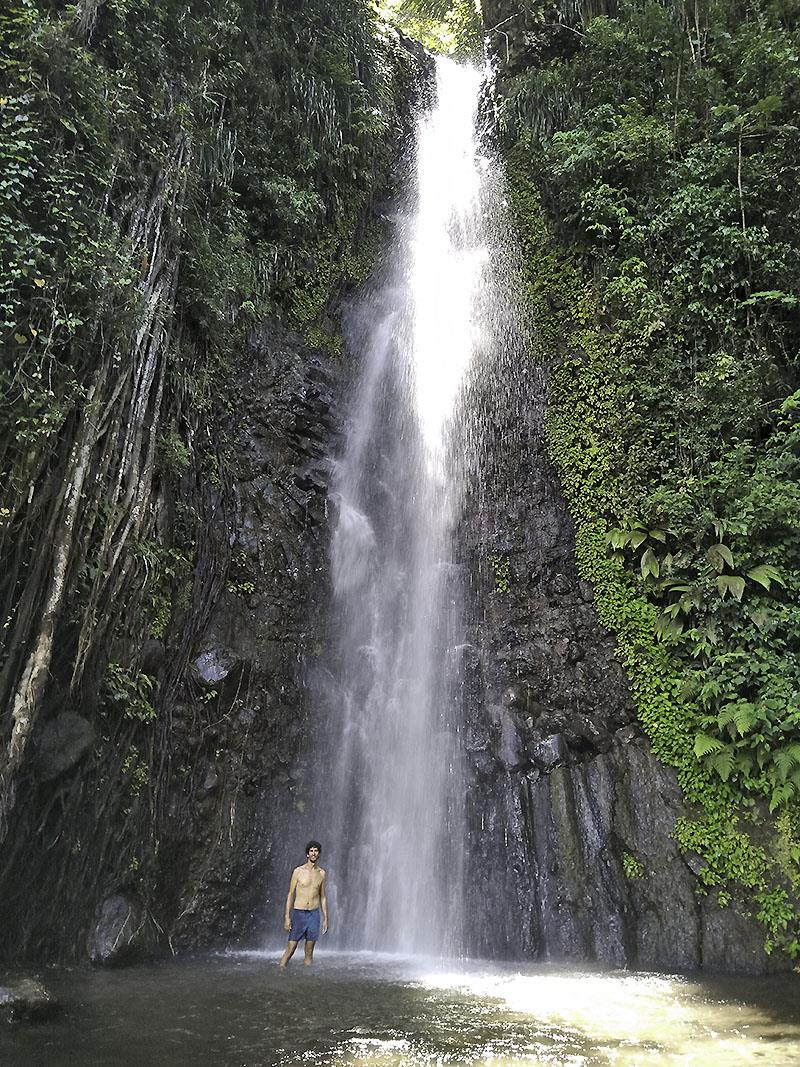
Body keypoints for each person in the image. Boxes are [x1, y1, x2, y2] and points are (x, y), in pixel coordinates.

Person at [278, 840, 329, 967]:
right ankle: (279, 971)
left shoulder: (322, 874)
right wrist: (287, 917)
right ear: (307, 854)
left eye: (316, 851)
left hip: (314, 914)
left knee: (309, 951)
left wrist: (325, 918)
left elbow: (323, 897)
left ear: (319, 854)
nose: (313, 853)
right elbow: (290, 894)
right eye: (311, 851)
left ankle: (307, 978)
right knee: (291, 948)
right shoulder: (298, 871)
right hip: (299, 913)